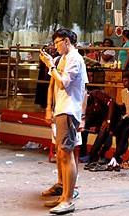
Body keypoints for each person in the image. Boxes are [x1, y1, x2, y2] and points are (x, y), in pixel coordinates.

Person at [39, 28, 88, 215]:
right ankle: (63, 195)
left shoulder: (75, 58)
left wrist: (51, 66)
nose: (55, 46)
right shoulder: (65, 58)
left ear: (66, 41)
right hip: (62, 109)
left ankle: (68, 199)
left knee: (67, 154)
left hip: (69, 110)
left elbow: (63, 83)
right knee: (61, 153)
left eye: (58, 42)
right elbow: (54, 85)